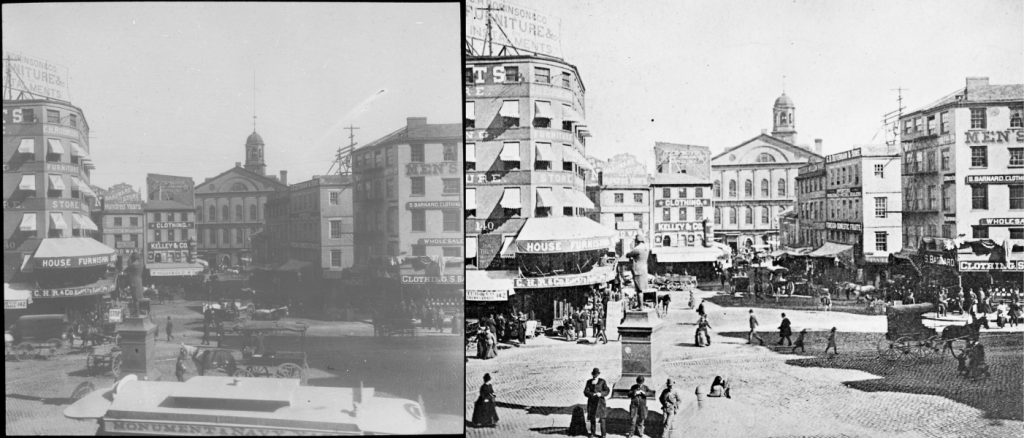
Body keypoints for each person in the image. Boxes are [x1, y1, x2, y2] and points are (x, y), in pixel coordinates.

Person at [625, 235, 650, 311]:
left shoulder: (637, 249)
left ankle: (640, 307)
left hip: (638, 270)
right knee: (642, 289)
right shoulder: (646, 248)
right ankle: (641, 305)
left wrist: (631, 246)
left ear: (637, 241)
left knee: (639, 290)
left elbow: (627, 255)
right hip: (644, 269)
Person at [584, 368, 610, 437]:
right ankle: (592, 433)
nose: (595, 375)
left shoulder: (602, 381)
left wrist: (601, 394)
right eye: (594, 374)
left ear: (598, 374)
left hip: (600, 402)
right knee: (592, 418)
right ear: (592, 374)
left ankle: (603, 435)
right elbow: (586, 392)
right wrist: (592, 394)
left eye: (596, 374)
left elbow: (607, 391)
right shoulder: (589, 382)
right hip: (592, 402)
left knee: (602, 418)